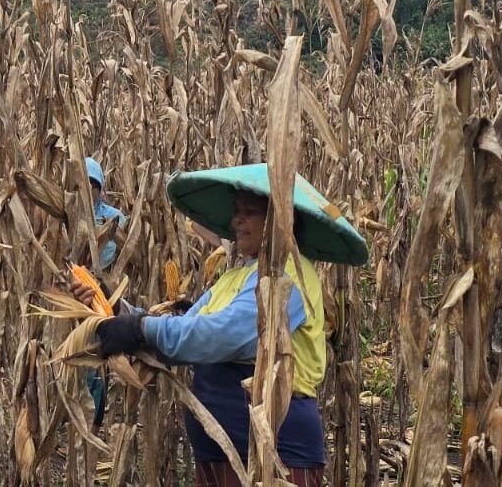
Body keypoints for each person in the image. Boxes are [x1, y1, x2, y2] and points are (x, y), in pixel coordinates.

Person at [78, 164, 367, 487]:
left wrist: (139, 329)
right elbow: (187, 326)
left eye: (248, 213)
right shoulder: (238, 275)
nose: (235, 222)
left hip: (273, 459)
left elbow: (221, 335)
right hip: (222, 451)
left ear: (281, 219)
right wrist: (112, 306)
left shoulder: (289, 278)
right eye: (237, 212)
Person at [83, 156, 127, 429]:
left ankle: (95, 419)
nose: (88, 190)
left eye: (93, 184)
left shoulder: (114, 219)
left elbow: (127, 252)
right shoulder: (65, 214)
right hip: (72, 293)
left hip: (103, 293)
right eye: (81, 184)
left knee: (98, 359)